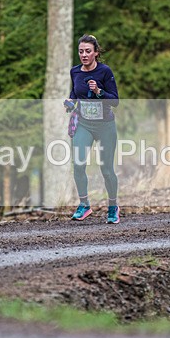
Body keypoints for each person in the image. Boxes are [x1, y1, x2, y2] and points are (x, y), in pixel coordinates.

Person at [65, 34, 120, 224]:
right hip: (84, 125)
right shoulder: (75, 72)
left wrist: (99, 92)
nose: (84, 55)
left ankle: (113, 207)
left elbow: (115, 101)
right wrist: (70, 102)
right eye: (81, 51)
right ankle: (84, 205)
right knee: (78, 165)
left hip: (105, 127)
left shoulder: (105, 72)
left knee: (106, 169)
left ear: (96, 53)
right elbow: (75, 93)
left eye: (88, 51)